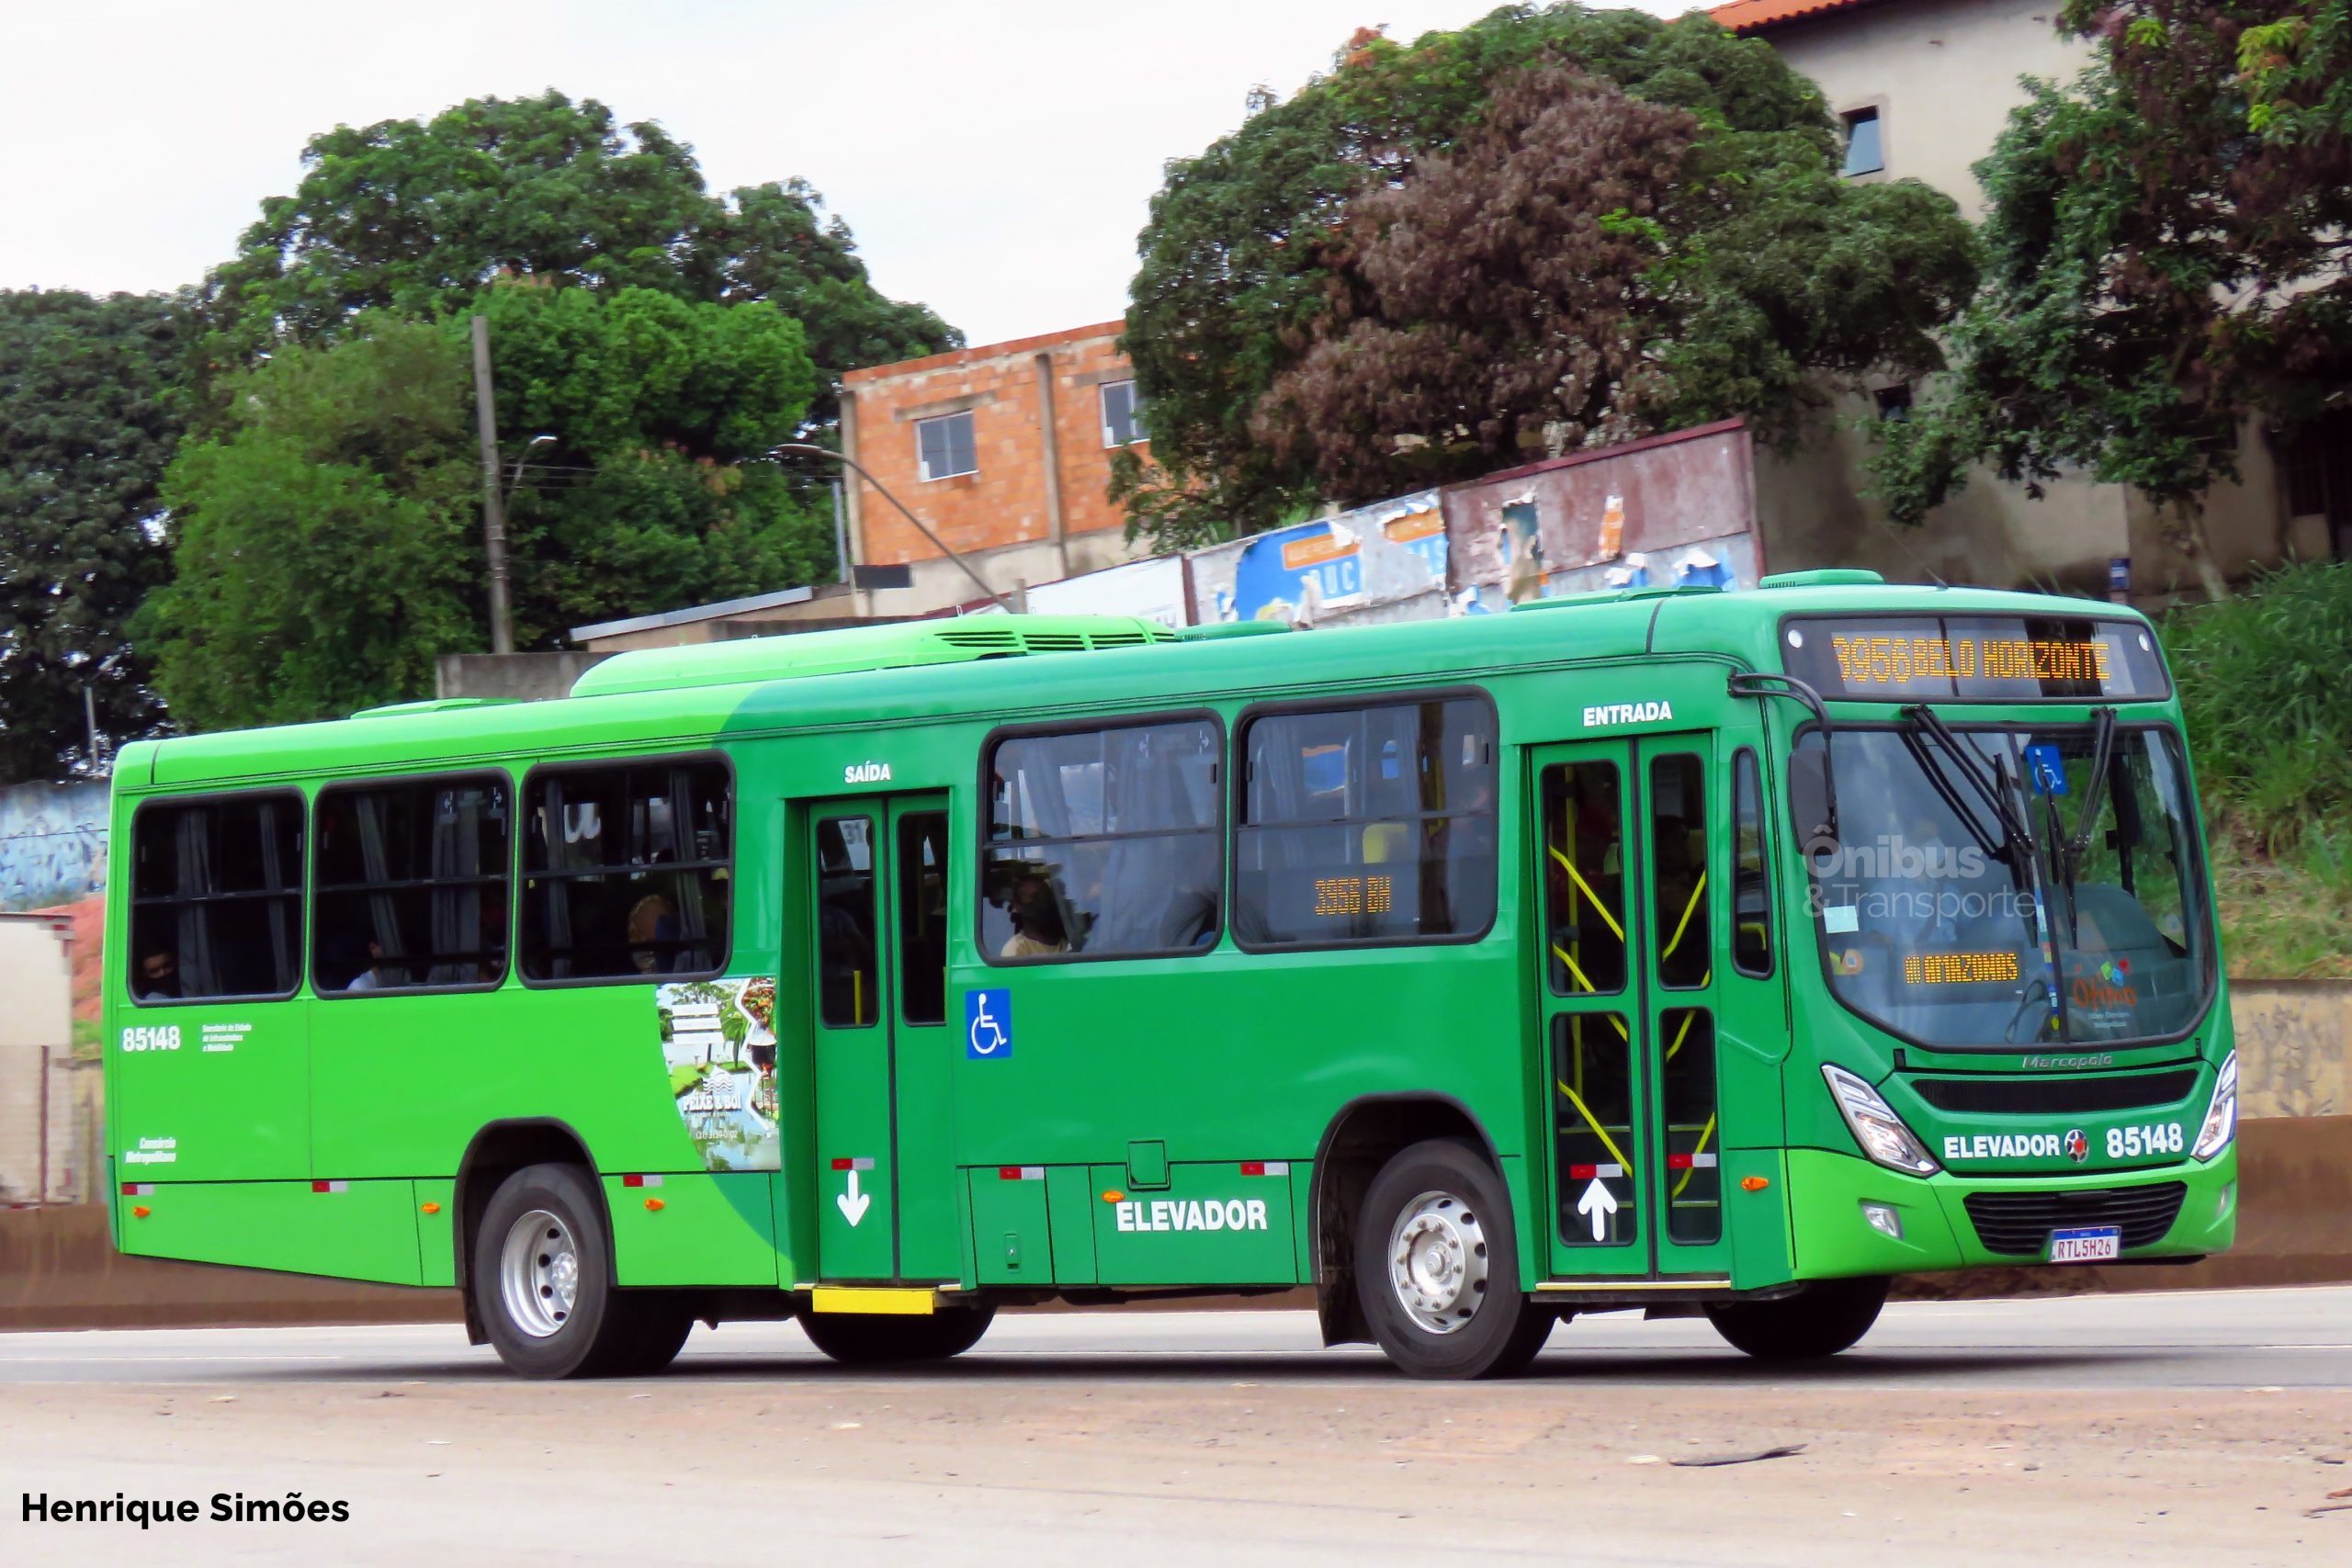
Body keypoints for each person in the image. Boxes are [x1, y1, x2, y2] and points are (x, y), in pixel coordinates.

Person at [1000, 874, 1068, 958]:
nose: (1044, 902)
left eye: (1046, 895)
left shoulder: (1068, 942)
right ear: (1017, 906)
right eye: (1034, 897)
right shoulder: (1016, 951)